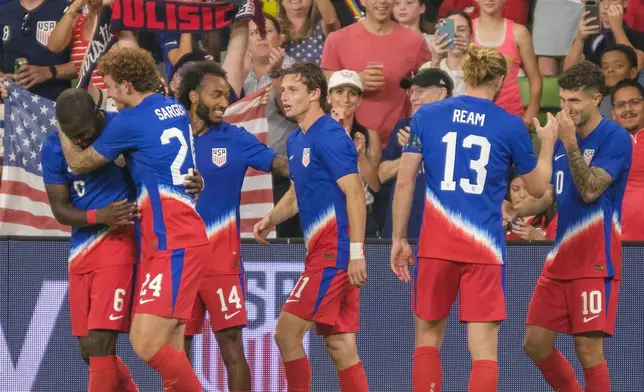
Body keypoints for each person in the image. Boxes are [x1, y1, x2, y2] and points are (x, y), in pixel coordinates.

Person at [390, 45, 557, 392]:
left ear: (466, 75)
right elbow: (539, 189)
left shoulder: (427, 116)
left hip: (436, 244)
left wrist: (399, 238)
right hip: (484, 249)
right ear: (499, 81)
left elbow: (405, 180)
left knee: (427, 340)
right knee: (483, 350)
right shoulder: (510, 125)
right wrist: (548, 143)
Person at [57, 47, 209, 392]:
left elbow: (80, 163)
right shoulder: (175, 108)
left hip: (173, 239)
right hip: (177, 235)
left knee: (145, 342)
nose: (108, 94)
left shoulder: (129, 121)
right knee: (170, 347)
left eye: (110, 86)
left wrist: (63, 128)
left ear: (126, 84)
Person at [253, 62, 369, 391]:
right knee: (341, 347)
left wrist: (357, 254)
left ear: (316, 94)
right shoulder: (296, 140)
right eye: (282, 91)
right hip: (326, 252)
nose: (284, 97)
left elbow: (356, 194)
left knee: (286, 333)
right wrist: (271, 218)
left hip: (335, 254)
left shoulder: (331, 136)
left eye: (293, 90)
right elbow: (295, 195)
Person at [176, 60, 290, 392]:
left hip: (220, 263)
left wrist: (313, 160)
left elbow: (279, 164)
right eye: (216, 95)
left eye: (227, 95)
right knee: (176, 347)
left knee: (231, 346)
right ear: (194, 96)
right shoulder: (169, 137)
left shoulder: (236, 138)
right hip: (178, 261)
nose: (224, 103)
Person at [521, 61, 632, 392]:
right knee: (535, 344)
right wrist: (516, 207)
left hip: (595, 260)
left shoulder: (615, 138)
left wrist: (569, 142)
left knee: (589, 351)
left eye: (575, 101)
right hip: (560, 259)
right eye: (564, 100)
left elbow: (590, 189)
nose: (566, 109)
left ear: (597, 99)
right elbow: (551, 195)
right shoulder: (558, 139)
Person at [44, 88, 140, 392]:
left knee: (101, 343)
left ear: (97, 116)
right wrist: (97, 217)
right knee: (89, 350)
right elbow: (59, 208)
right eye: (72, 136)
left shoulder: (121, 129)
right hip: (81, 251)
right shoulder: (53, 146)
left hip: (120, 244)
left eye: (84, 134)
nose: (80, 142)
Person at [380, 67, 454, 239]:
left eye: (420, 91)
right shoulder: (404, 126)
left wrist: (422, 148)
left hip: (441, 226)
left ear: (441, 93)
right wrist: (411, 152)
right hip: (403, 225)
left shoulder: (457, 130)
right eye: (411, 92)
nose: (413, 98)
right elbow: (383, 174)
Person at [612, 78, 644, 240]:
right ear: (613, 114)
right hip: (617, 243)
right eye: (621, 105)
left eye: (634, 102)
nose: (628, 109)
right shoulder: (604, 145)